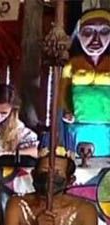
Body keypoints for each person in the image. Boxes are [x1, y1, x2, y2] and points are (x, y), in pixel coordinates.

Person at [59, 9, 110, 157]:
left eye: (104, 31)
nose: (96, 40)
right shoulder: (71, 65)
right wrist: (67, 110)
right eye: (88, 32)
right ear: (78, 33)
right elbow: (63, 91)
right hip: (77, 125)